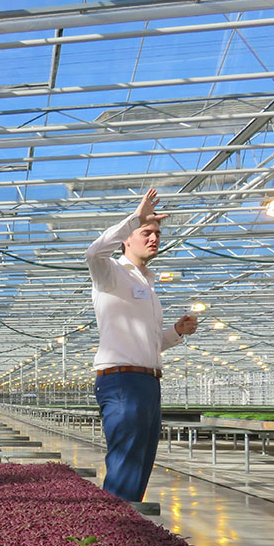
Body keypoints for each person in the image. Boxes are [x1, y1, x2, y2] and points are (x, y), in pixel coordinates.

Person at [85, 188, 198, 502]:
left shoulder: (148, 286)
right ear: (126, 240)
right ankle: (110, 537)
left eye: (157, 233)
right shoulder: (112, 274)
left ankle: (124, 533)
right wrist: (135, 217)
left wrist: (175, 332)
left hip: (148, 382)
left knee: (139, 465)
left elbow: (149, 344)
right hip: (123, 382)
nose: (154, 238)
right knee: (124, 465)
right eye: (146, 232)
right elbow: (93, 253)